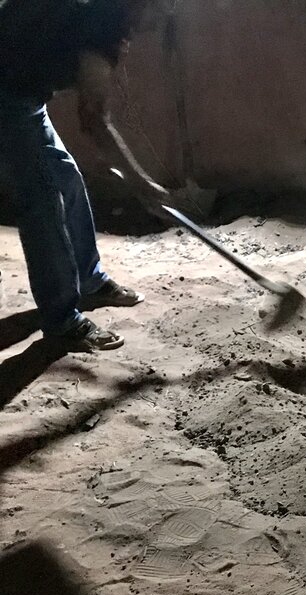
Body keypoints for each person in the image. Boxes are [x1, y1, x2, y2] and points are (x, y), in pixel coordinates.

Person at [0, 0, 170, 352]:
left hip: (24, 94)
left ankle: (89, 282)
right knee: (44, 201)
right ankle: (62, 320)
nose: (165, 14)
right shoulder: (103, 22)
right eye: (161, 6)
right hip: (7, 95)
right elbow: (93, 120)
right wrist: (139, 181)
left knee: (67, 179)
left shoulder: (109, 17)